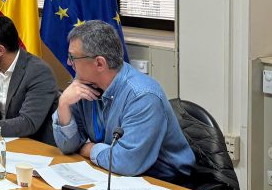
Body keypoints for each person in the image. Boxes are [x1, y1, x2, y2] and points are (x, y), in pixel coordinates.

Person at [52, 20, 195, 180]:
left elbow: (126, 163)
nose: (69, 63)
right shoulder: (83, 86)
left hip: (167, 182)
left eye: (73, 57)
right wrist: (63, 104)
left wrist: (90, 149)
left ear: (99, 63)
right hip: (114, 174)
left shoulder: (142, 96)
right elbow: (68, 146)